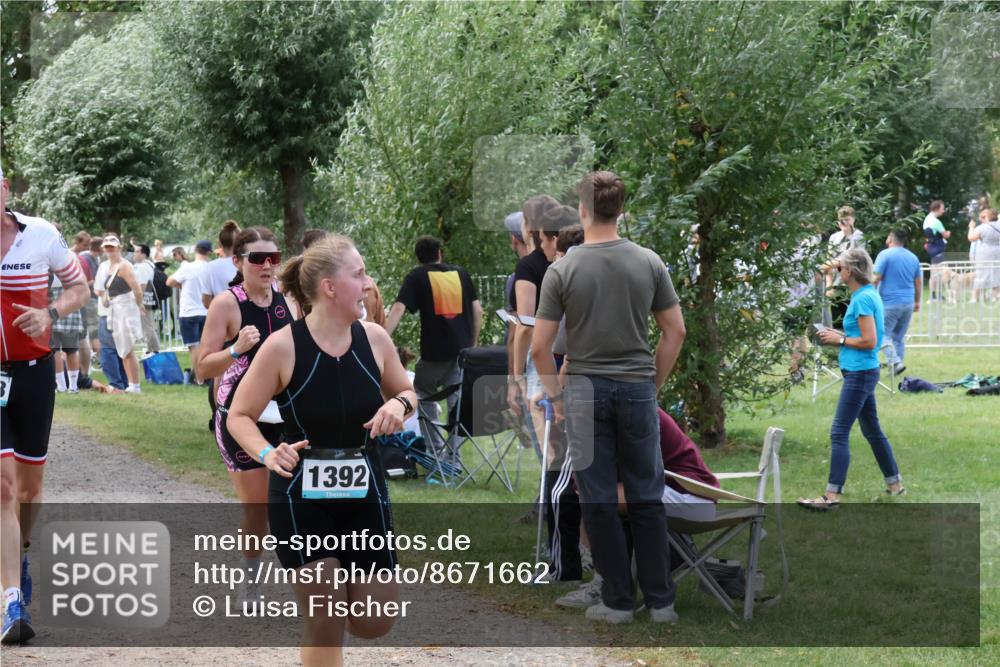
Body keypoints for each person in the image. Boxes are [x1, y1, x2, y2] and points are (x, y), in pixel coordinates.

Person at [227, 234, 415, 666]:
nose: (368, 284)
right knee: (326, 616)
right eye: (359, 274)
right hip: (300, 497)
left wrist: (397, 404)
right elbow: (239, 415)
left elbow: (408, 392)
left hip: (365, 491)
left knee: (374, 619)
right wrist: (267, 454)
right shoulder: (282, 346)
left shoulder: (375, 340)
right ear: (329, 287)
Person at [532, 170, 687, 624]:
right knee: (646, 495)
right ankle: (661, 603)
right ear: (621, 210)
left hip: (583, 390)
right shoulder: (649, 262)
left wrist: (556, 395)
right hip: (637, 386)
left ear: (581, 210)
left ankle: (618, 600)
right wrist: (650, 383)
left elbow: (541, 347)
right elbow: (674, 331)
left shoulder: (562, 269)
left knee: (597, 497)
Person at [1, 166, 89, 643]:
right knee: (4, 486)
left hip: (33, 374)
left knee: (31, 491)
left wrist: (50, 312)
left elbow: (80, 288)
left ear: (5, 191)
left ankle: (22, 550)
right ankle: (11, 601)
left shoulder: (42, 234)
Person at [196, 227, 295, 602]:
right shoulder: (226, 304)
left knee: (296, 503)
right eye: (258, 258)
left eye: (274, 257)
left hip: (286, 417)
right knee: (258, 511)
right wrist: (236, 350)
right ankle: (250, 581)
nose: (267, 265)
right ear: (237, 262)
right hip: (239, 419)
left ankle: (306, 579)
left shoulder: (289, 301)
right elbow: (202, 368)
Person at [556, 408, 719, 609]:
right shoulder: (600, 418)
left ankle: (612, 587)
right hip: (660, 488)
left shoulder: (632, 414)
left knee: (600, 498)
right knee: (592, 495)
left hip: (691, 495)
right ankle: (609, 583)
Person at [799, 248, 904, 511]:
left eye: (840, 268)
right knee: (872, 430)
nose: (837, 272)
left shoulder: (862, 299)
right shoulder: (866, 295)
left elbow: (869, 342)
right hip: (862, 371)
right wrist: (838, 333)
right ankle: (895, 485)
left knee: (839, 432)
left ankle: (831, 497)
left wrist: (841, 339)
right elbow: (864, 333)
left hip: (860, 374)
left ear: (850, 271)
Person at [385, 236, 482, 465]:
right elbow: (478, 310)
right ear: (440, 252)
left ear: (419, 257)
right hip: (462, 353)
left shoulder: (417, 276)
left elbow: (399, 307)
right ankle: (453, 460)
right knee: (456, 404)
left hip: (435, 353)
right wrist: (473, 345)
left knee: (421, 393)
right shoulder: (461, 274)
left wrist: (381, 336)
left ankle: (435, 454)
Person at [95, 235, 145, 394]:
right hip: (115, 310)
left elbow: (137, 288)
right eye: (106, 246)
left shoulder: (124, 266)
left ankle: (134, 385)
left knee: (127, 348)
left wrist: (139, 305)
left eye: (112, 246)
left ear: (119, 247)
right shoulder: (108, 266)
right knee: (123, 349)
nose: (109, 249)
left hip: (125, 309)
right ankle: (131, 384)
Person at [873, 229, 921, 375]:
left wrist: (869, 295)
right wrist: (917, 301)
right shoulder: (913, 257)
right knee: (898, 337)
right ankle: (896, 367)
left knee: (881, 334)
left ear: (890, 239)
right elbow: (918, 282)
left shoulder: (885, 255)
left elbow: (876, 278)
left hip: (889, 302)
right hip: (907, 303)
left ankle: (895, 362)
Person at [167, 240, 211, 383]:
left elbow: (169, 282)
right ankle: (205, 375)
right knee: (206, 347)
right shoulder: (211, 268)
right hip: (206, 311)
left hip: (189, 311)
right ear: (209, 252)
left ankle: (200, 379)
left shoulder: (188, 267)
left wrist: (181, 284)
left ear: (195, 251)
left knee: (194, 347)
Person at [825, 206, 865, 327]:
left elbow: (851, 259)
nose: (844, 223)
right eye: (841, 220)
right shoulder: (834, 237)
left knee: (853, 321)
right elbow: (828, 262)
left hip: (852, 284)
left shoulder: (858, 236)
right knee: (837, 321)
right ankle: (840, 345)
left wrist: (832, 263)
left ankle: (853, 344)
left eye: (847, 219)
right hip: (837, 285)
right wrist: (829, 284)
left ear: (853, 220)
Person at [200, 220, 240, 309]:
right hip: (247, 318)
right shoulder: (248, 264)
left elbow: (206, 302)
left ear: (219, 243)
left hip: (220, 317)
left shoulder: (209, 267)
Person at [132, 244, 160, 355]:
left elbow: (142, 285)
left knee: (146, 326)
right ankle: (152, 349)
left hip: (143, 299)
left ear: (143, 253)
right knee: (147, 325)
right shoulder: (149, 265)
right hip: (147, 298)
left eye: (137, 251)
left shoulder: (142, 267)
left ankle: (153, 350)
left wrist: (139, 302)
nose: (134, 254)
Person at [968, 207, 1000, 303]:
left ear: (988, 216)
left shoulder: (982, 227)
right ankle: (996, 296)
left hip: (985, 253)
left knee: (981, 274)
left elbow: (971, 238)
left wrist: (971, 228)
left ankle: (974, 297)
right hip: (998, 251)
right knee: (997, 274)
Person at [923, 200, 950, 300]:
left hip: (931, 248)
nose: (943, 211)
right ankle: (939, 294)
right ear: (937, 209)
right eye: (942, 209)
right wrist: (948, 233)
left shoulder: (927, 219)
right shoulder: (936, 221)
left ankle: (934, 295)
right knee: (941, 272)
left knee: (934, 272)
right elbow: (945, 235)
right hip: (938, 249)